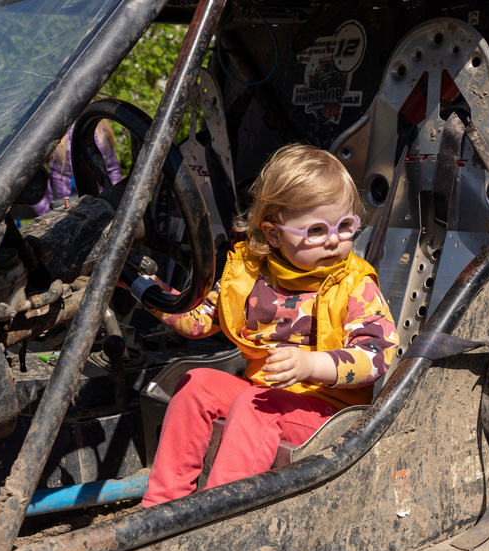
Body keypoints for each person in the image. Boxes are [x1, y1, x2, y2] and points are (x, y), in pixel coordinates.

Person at [138, 143, 399, 508]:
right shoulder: (248, 273)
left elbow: (376, 356)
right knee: (197, 384)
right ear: (274, 235)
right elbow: (196, 322)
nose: (335, 239)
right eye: (317, 230)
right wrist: (142, 287)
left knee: (255, 406)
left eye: (345, 226)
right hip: (261, 393)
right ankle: (160, 506)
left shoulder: (354, 284)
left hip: (327, 411)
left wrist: (311, 365)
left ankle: (217, 514)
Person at [32, 119, 122, 215]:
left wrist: (113, 200)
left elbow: (112, 169)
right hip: (63, 208)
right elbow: (32, 176)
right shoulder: (51, 130)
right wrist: (45, 211)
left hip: (99, 204)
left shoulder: (99, 124)